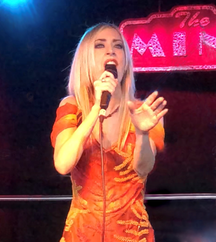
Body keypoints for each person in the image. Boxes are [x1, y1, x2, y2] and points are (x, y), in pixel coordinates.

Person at [51, 22, 168, 242]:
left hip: (133, 236)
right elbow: (63, 164)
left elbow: (144, 168)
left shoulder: (144, 111)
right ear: (86, 59)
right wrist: (95, 109)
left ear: (125, 62)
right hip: (80, 235)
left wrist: (142, 133)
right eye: (100, 45)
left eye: (118, 46)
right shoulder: (71, 107)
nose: (111, 51)